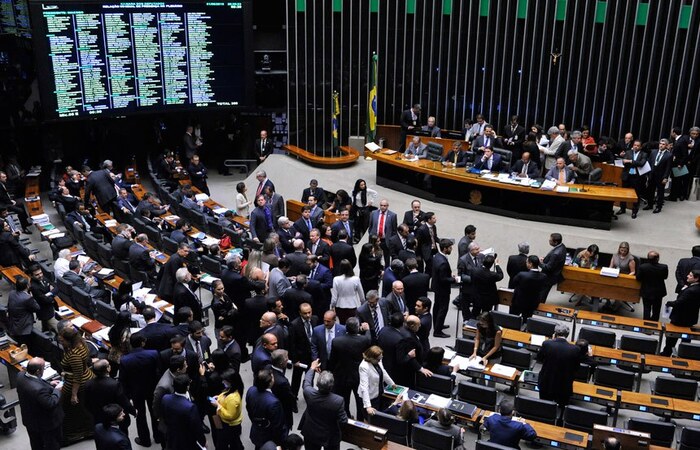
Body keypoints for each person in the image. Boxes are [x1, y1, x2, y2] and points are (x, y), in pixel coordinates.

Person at [16, 357, 64, 450]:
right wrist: (57, 390)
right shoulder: (38, 389)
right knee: (52, 445)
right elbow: (51, 403)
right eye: (43, 368)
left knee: (36, 444)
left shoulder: (21, 375)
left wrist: (50, 383)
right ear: (38, 371)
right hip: (46, 424)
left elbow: (37, 382)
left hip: (30, 420)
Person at [328, 317, 371, 420]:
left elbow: (332, 360)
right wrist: (367, 330)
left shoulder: (337, 341)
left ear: (346, 328)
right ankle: (360, 421)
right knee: (360, 401)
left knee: (344, 400)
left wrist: (331, 372)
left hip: (342, 376)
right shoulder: (364, 340)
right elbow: (369, 339)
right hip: (358, 376)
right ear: (357, 328)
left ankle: (346, 418)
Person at [59, 326, 96, 445]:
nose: (61, 341)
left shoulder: (74, 355)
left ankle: (76, 434)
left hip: (77, 385)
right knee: (84, 408)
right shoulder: (81, 343)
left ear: (69, 340)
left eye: (63, 340)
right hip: (86, 378)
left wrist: (74, 395)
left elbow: (77, 376)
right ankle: (88, 430)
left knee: (71, 410)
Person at [301, 360, 348, 450]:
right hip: (330, 435)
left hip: (311, 431)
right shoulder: (338, 400)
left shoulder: (309, 393)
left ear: (317, 384)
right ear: (332, 386)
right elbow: (343, 420)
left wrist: (312, 368)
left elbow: (307, 382)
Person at [84, 360, 135, 437]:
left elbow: (86, 403)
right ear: (108, 369)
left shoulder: (88, 384)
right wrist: (133, 411)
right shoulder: (115, 384)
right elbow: (124, 402)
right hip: (115, 418)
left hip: (99, 418)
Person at [537, 323, 580, 406]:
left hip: (547, 382)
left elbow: (539, 359)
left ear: (555, 334)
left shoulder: (547, 344)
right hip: (564, 385)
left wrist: (551, 341)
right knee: (562, 407)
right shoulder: (575, 349)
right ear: (567, 335)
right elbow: (576, 367)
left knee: (544, 406)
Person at [161, 374, 206, 450]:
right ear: (187, 387)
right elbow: (197, 428)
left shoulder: (165, 398)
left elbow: (164, 416)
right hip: (186, 439)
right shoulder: (190, 407)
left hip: (172, 435)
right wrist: (203, 442)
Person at [661, 269, 700, 356]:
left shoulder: (691, 290)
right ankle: (684, 354)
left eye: (690, 275)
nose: (687, 276)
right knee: (686, 338)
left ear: (696, 278)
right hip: (690, 317)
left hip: (680, 318)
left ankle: (666, 353)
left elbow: (680, 303)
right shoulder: (695, 288)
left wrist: (669, 303)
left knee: (671, 337)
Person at [246, 368, 288, 448]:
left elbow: (249, 410)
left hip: (256, 430)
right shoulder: (274, 402)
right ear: (269, 383)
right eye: (272, 377)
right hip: (267, 436)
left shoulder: (251, 390)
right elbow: (277, 426)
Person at [358, 345, 396, 415]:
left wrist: (392, 384)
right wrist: (368, 406)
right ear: (371, 358)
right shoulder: (364, 367)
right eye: (378, 359)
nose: (380, 361)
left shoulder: (378, 359)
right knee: (370, 420)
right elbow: (364, 387)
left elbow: (383, 372)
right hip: (369, 397)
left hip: (379, 394)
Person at [213, 369, 245, 450]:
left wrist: (218, 406)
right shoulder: (233, 389)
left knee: (232, 443)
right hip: (231, 424)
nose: (223, 382)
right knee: (235, 441)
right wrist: (219, 397)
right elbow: (225, 395)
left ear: (231, 382)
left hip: (230, 425)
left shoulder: (233, 399)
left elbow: (230, 415)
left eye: (225, 381)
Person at [432, 239, 458, 337]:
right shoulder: (443, 262)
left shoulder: (437, 256)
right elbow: (444, 279)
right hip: (443, 289)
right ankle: (438, 331)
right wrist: (453, 280)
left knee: (437, 307)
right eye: (450, 248)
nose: (451, 249)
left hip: (437, 287)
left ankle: (437, 325)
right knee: (443, 309)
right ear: (445, 248)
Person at [510, 255, 548, 320]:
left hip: (519, 302)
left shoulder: (522, 275)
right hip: (532, 303)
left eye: (527, 262)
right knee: (526, 320)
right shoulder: (543, 276)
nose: (526, 264)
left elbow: (513, 283)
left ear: (530, 264)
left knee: (513, 319)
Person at [617, 139, 648, 218]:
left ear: (640, 147)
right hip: (627, 175)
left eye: (638, 146)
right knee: (623, 193)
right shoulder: (628, 152)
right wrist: (628, 161)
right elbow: (624, 161)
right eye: (635, 145)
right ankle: (622, 208)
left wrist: (630, 161)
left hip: (637, 177)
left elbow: (641, 163)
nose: (636, 147)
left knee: (636, 194)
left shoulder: (644, 154)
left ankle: (634, 211)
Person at [7, 276, 40, 346]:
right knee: (25, 346)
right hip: (24, 328)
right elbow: (37, 308)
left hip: (14, 324)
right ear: (27, 286)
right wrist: (31, 297)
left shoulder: (12, 293)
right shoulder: (27, 298)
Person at [636, 251, 668, 320]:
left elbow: (638, 278)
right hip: (658, 292)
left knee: (646, 309)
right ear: (657, 259)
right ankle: (654, 323)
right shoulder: (664, 267)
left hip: (646, 291)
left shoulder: (643, 267)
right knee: (656, 310)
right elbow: (665, 277)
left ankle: (646, 324)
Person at [644, 138, 673, 213]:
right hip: (652, 174)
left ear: (666, 146)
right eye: (660, 144)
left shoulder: (669, 155)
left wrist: (665, 177)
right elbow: (649, 163)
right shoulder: (653, 152)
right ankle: (649, 204)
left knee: (660, 192)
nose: (661, 145)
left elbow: (668, 168)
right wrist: (647, 173)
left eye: (663, 144)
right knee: (650, 190)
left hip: (661, 176)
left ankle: (658, 207)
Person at [368, 199, 398, 266]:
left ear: (387, 206)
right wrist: (372, 235)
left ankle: (386, 270)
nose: (382, 207)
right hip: (375, 239)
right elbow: (370, 226)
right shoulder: (373, 213)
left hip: (385, 240)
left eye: (384, 205)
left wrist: (391, 240)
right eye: (381, 205)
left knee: (386, 258)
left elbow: (394, 230)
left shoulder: (393, 215)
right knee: (373, 255)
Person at [540, 233, 566, 302]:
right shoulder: (562, 246)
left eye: (550, 240)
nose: (549, 241)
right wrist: (546, 259)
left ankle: (539, 308)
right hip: (554, 274)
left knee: (542, 295)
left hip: (548, 277)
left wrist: (539, 263)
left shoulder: (555, 254)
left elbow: (548, 268)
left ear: (556, 242)